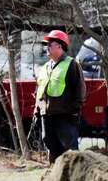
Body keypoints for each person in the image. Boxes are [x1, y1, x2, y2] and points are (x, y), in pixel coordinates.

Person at [35, 29, 86, 164]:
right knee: (51, 149)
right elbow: (40, 90)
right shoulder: (45, 67)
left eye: (50, 44)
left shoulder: (72, 64)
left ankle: (73, 179)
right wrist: (37, 111)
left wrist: (74, 111)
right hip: (47, 116)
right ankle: (55, 179)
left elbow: (80, 90)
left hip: (66, 116)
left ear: (60, 46)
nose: (47, 48)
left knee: (70, 152)